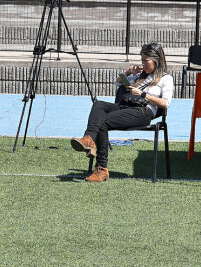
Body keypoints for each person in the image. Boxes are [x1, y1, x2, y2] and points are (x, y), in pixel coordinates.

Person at [70, 42, 173, 181]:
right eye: (141, 60)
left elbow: (165, 103)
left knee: (104, 121)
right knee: (99, 105)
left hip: (143, 112)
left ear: (157, 60)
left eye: (146, 60)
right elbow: (118, 82)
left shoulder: (166, 78)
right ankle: (88, 139)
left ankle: (101, 169)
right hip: (126, 107)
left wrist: (142, 94)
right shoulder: (140, 75)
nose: (143, 64)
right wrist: (129, 72)